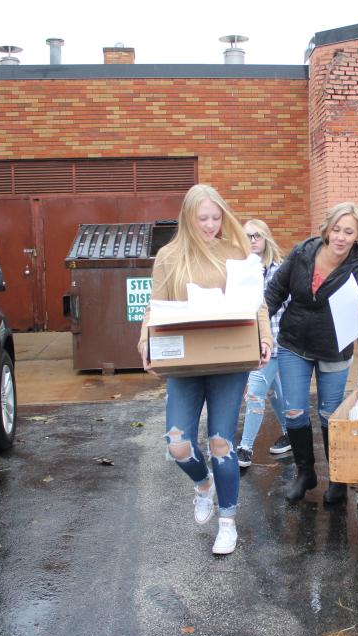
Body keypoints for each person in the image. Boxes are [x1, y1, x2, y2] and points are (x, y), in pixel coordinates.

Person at [137, 184, 273, 555]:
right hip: (186, 361)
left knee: (221, 443)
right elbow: (156, 305)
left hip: (229, 359)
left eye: (216, 218)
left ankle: (227, 523)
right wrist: (145, 343)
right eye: (203, 219)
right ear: (187, 218)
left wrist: (264, 339)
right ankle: (203, 485)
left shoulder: (237, 251)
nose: (211, 225)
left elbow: (256, 303)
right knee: (177, 444)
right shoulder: (169, 256)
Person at [265, 202, 358, 505]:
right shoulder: (303, 252)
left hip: (333, 347)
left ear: (357, 236)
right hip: (294, 344)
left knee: (330, 414)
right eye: (337, 229)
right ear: (327, 229)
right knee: (295, 410)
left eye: (349, 232)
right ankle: (305, 474)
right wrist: (259, 327)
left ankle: (337, 478)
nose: (341, 237)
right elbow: (275, 291)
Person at [237, 219, 290, 467]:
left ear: (266, 238)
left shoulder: (279, 270)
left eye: (257, 236)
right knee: (273, 390)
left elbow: (288, 308)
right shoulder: (242, 271)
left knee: (256, 391)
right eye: (247, 236)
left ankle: (245, 448)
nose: (253, 241)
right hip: (251, 341)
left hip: (276, 340)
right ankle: (291, 433)